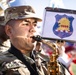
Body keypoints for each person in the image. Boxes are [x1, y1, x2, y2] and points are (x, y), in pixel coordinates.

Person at [0, 5, 46, 75]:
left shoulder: (46, 60)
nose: (33, 29)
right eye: (26, 24)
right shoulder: (2, 62)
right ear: (9, 30)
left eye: (35, 24)